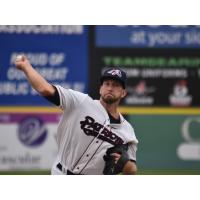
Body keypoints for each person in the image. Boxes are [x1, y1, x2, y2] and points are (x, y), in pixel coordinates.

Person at [15, 55, 138, 175]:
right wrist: (26, 67)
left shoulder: (127, 131)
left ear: (123, 93)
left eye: (116, 85)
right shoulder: (80, 102)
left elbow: (132, 169)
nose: (110, 88)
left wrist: (126, 165)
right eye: (107, 84)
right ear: (100, 88)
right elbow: (45, 89)